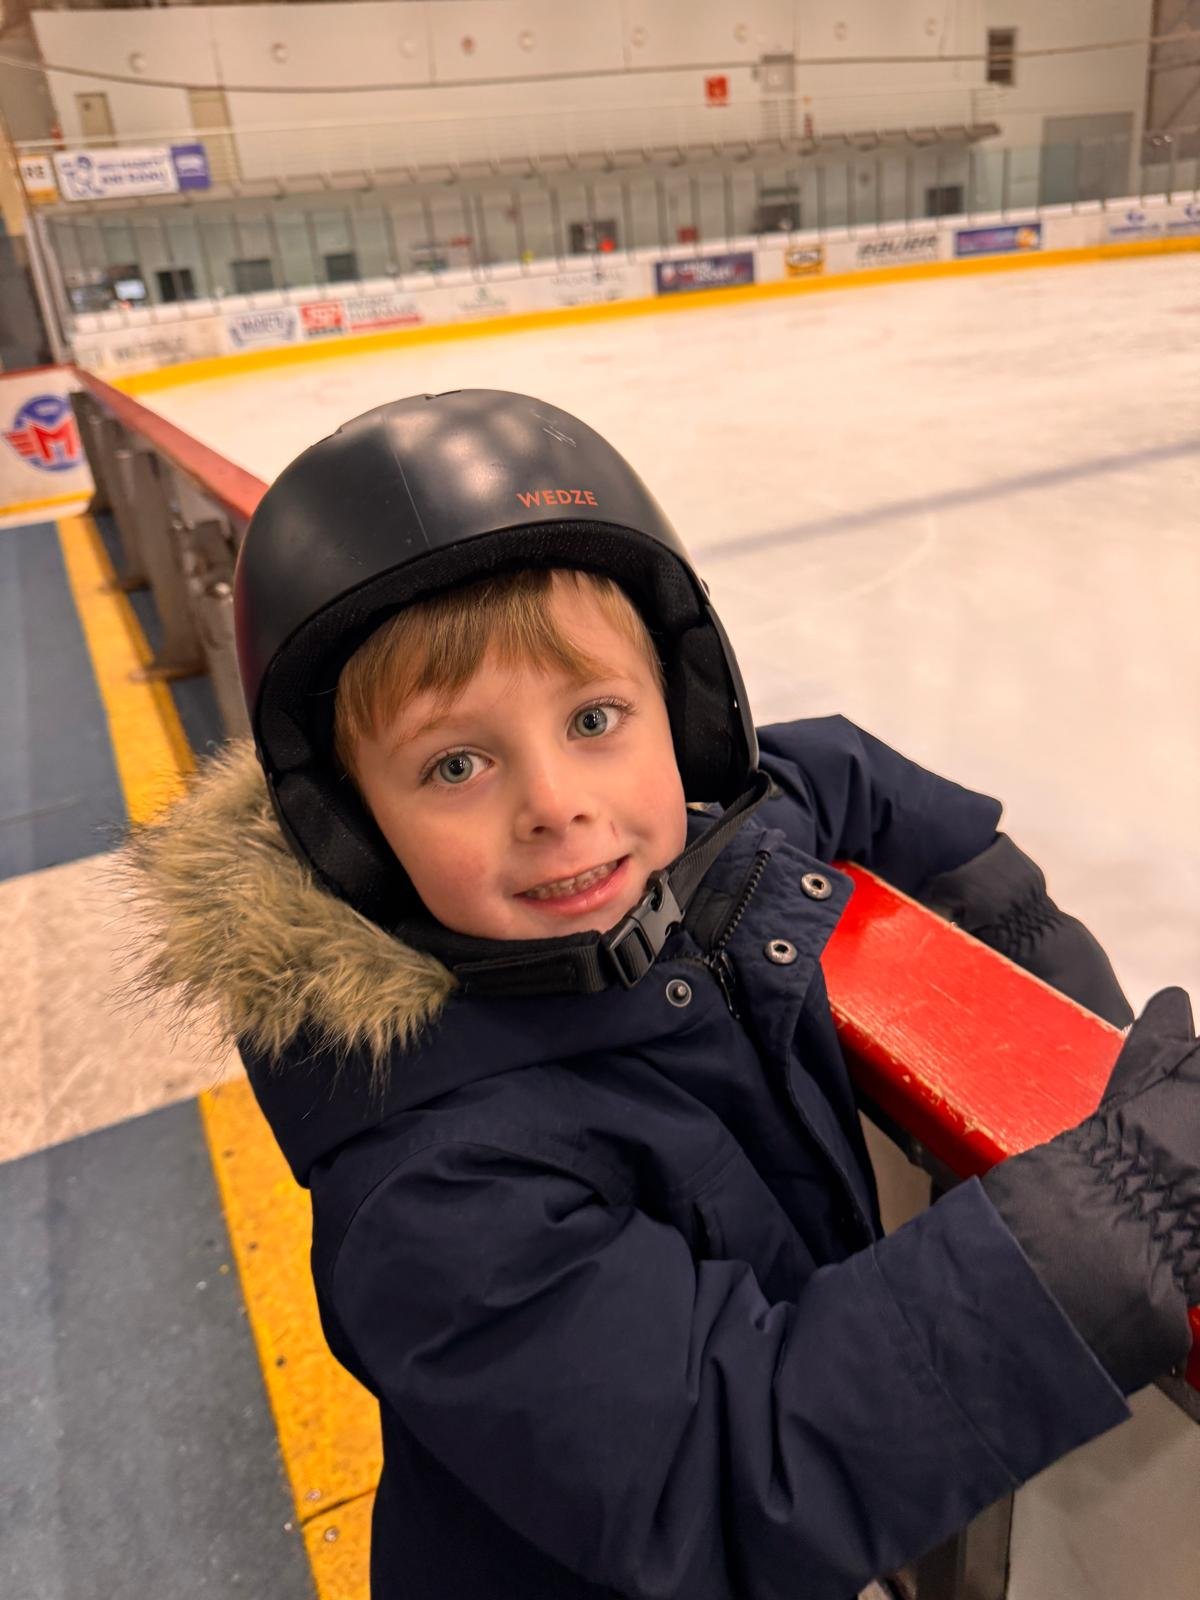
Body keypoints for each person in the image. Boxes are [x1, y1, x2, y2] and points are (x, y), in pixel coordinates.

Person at [131, 390, 1200, 1600]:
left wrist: (1052, 996)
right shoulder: (433, 1188)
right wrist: (1133, 1198)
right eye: (456, 763)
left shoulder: (685, 848)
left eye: (594, 717)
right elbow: (729, 1468)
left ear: (686, 721)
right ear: (351, 833)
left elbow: (832, 775)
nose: (557, 804)